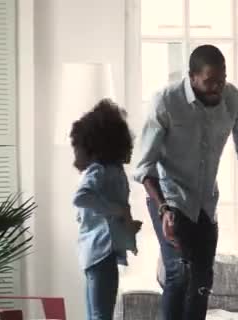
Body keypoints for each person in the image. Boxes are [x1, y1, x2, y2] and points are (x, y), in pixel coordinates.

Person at [134, 44, 238, 320]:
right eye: (209, 82)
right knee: (178, 273)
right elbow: (144, 167)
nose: (217, 88)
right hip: (168, 197)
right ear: (192, 76)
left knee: (202, 282)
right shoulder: (166, 101)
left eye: (221, 80)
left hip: (206, 202)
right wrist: (164, 210)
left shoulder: (233, 100)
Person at [71, 99, 142, 320]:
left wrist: (127, 225)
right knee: (102, 315)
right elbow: (81, 198)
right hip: (101, 252)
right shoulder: (101, 171)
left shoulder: (112, 171)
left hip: (97, 251)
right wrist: (116, 211)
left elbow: (115, 208)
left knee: (97, 314)